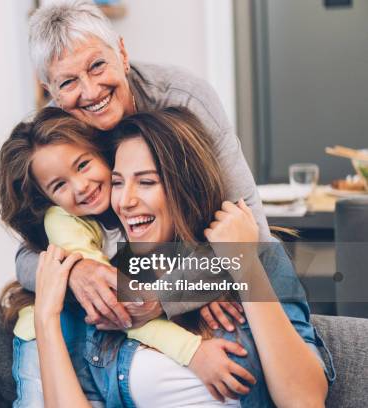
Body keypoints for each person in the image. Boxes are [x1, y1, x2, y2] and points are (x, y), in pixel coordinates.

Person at [29, 109, 330, 407]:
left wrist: (243, 264)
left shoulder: (253, 258)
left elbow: (304, 400)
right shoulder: (110, 281)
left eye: (146, 182)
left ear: (185, 186)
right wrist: (46, 319)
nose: (125, 201)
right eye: (118, 182)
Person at [16, 0, 269, 332]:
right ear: (51, 92)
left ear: (122, 53)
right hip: (122, 289)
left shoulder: (184, 99)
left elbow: (253, 236)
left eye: (96, 66)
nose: (90, 92)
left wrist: (168, 296)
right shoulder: (51, 137)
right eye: (67, 83)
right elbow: (25, 258)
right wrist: (75, 272)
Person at [0, 107, 253, 407]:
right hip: (47, 334)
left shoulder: (130, 209)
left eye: (82, 165)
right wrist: (192, 351)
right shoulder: (64, 222)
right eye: (59, 185)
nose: (81, 187)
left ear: (102, 154)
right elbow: (121, 308)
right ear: (47, 198)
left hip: (99, 334)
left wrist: (205, 286)